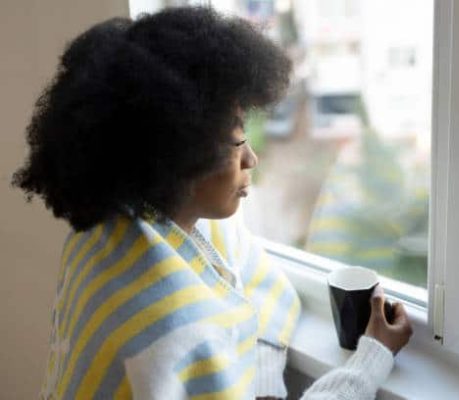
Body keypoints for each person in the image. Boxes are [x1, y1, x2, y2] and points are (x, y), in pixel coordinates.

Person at [13, 6, 413, 400]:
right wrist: (371, 359)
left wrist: (262, 387)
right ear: (180, 155)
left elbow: (258, 286)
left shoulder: (108, 233)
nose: (251, 159)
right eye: (236, 142)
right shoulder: (175, 332)